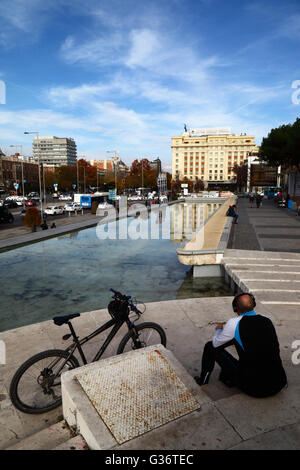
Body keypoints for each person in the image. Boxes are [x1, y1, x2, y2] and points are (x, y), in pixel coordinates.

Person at [194, 293, 287, 398]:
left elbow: (216, 344)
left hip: (254, 388)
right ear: (253, 304)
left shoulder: (234, 323)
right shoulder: (267, 320)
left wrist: (219, 330)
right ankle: (226, 378)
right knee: (242, 344)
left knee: (210, 346)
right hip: (279, 383)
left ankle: (203, 381)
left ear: (235, 308)